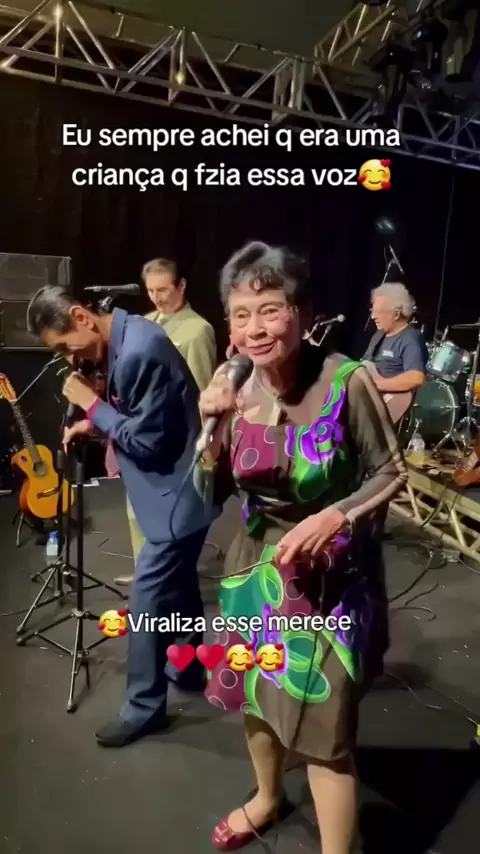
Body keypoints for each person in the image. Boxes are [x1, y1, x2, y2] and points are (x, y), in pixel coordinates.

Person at [197, 242, 407, 854]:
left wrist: (335, 516)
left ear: (303, 313)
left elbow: (391, 471)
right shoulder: (233, 382)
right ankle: (268, 796)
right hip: (254, 567)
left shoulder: (347, 380)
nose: (255, 328)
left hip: (330, 578)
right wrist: (211, 431)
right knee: (256, 695)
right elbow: (209, 489)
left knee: (324, 725)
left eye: (270, 309)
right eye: (241, 314)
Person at [26, 287, 210, 747]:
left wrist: (93, 405)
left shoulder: (140, 350)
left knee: (147, 603)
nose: (69, 359)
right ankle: (189, 667)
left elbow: (149, 442)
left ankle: (144, 708)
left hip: (176, 498)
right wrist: (96, 422)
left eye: (64, 346)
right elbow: (147, 418)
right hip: (174, 492)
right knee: (180, 588)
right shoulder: (127, 339)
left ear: (81, 317)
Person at [117, 257, 217, 585]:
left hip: (174, 441)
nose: (157, 297)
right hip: (141, 435)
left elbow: (202, 391)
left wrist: (200, 449)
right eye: (151, 290)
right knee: (137, 511)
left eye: (163, 289)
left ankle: (163, 584)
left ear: (181, 286)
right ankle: (144, 576)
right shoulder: (144, 323)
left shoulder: (197, 330)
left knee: (167, 517)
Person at [363, 282, 428, 396]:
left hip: (388, 401)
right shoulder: (378, 335)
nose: (373, 317)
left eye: (379, 312)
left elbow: (416, 378)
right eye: (372, 311)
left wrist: (375, 385)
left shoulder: (410, 339)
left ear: (396, 314)